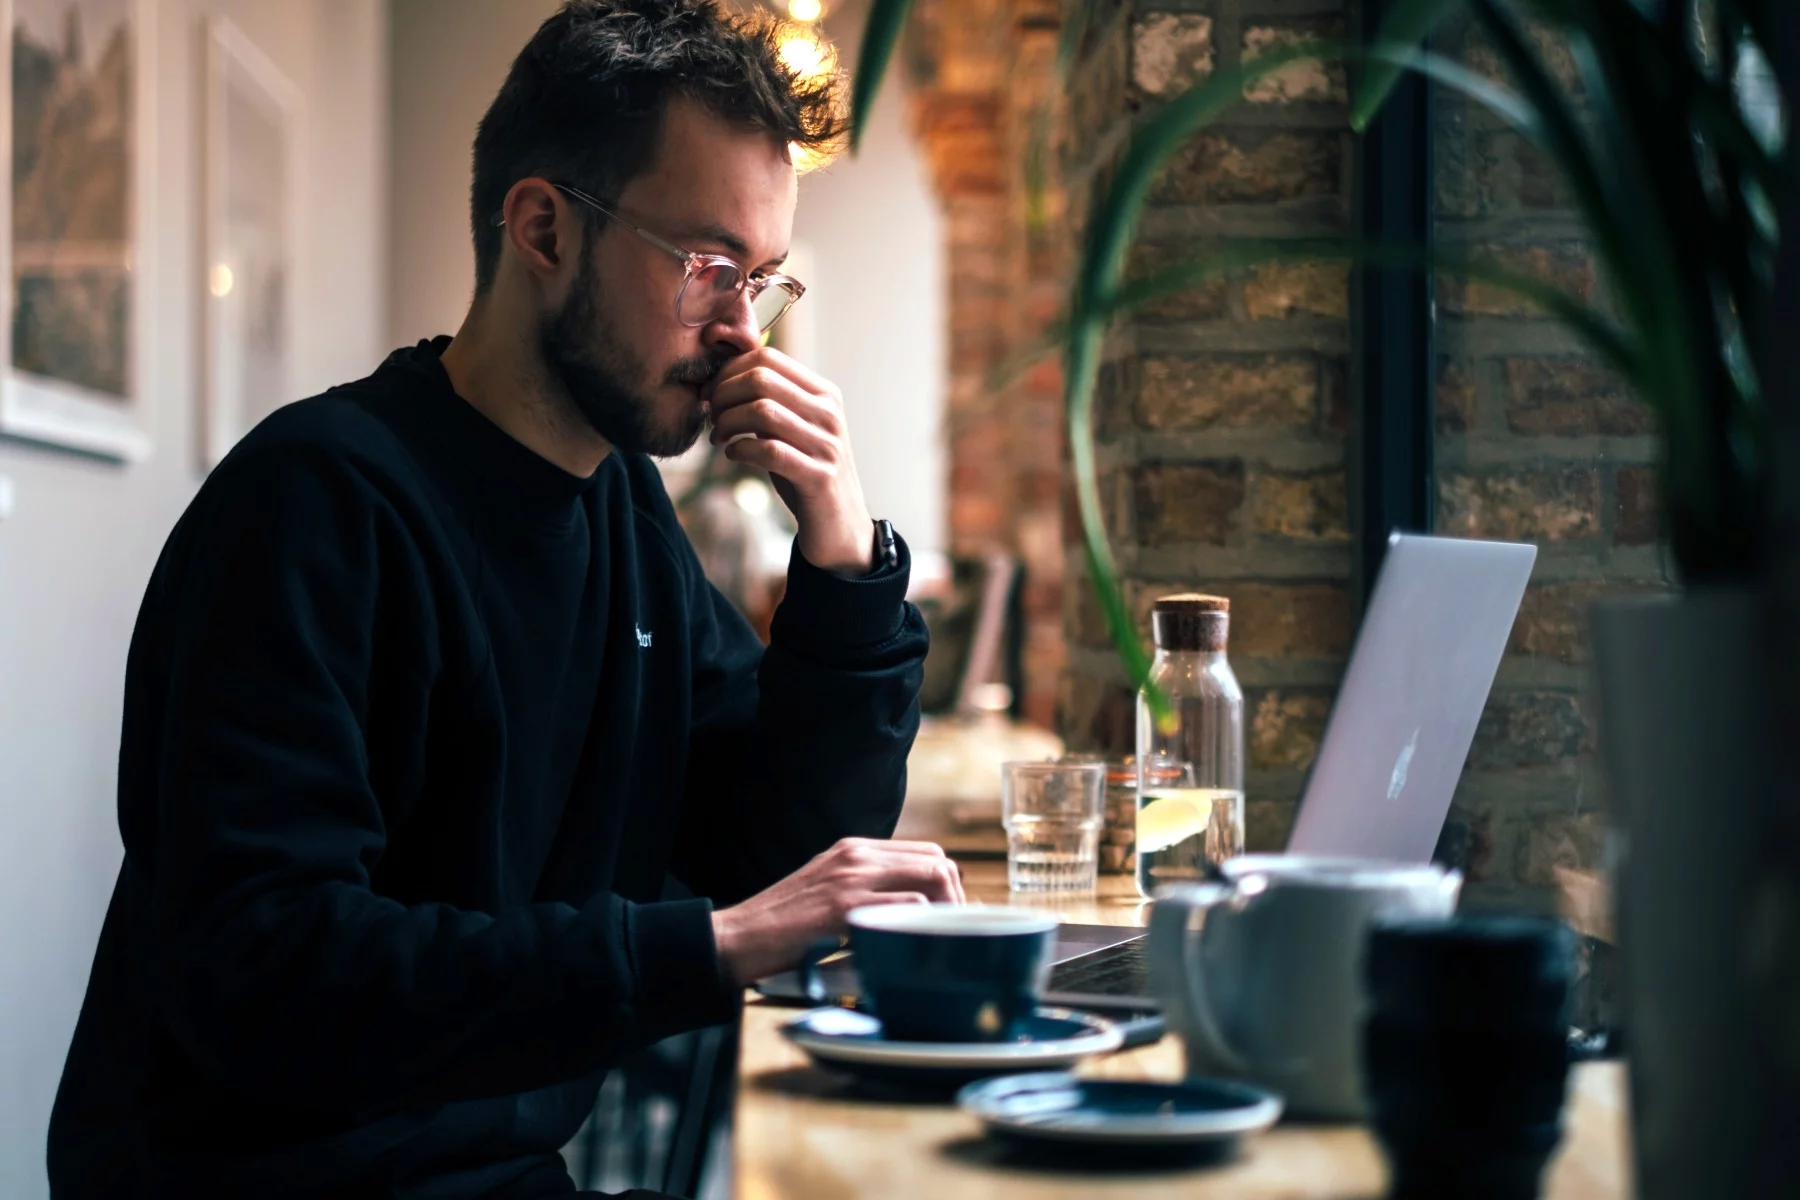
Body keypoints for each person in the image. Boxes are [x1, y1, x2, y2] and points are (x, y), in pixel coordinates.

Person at [48, 3, 962, 1195]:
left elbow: (774, 844)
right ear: (542, 228)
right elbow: (272, 972)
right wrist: (708, 946)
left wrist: (842, 555)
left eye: (764, 280)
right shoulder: (314, 503)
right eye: (708, 269)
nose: (744, 332)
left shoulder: (623, 511)